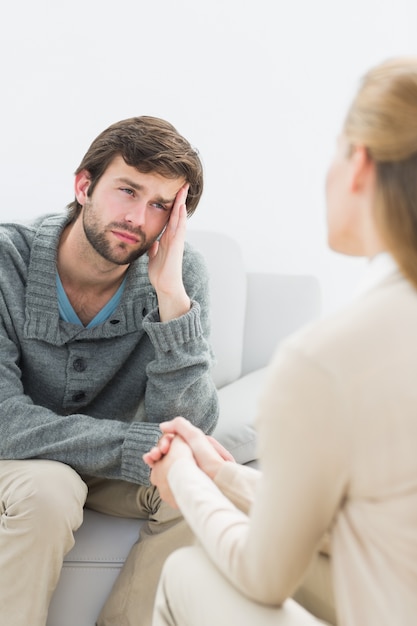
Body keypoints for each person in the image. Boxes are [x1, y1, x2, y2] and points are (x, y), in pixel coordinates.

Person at [144, 57, 417, 626]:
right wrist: (221, 473)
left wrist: (188, 480)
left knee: (188, 573)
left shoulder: (328, 359)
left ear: (360, 162)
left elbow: (263, 576)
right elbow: (348, 526)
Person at [0, 115, 219, 626]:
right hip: (15, 462)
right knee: (51, 490)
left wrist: (170, 301)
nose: (138, 217)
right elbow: (3, 420)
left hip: (101, 464)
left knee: (199, 487)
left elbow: (187, 429)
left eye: (160, 205)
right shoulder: (7, 260)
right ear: (84, 186)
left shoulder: (181, 276)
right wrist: (130, 449)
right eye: (127, 190)